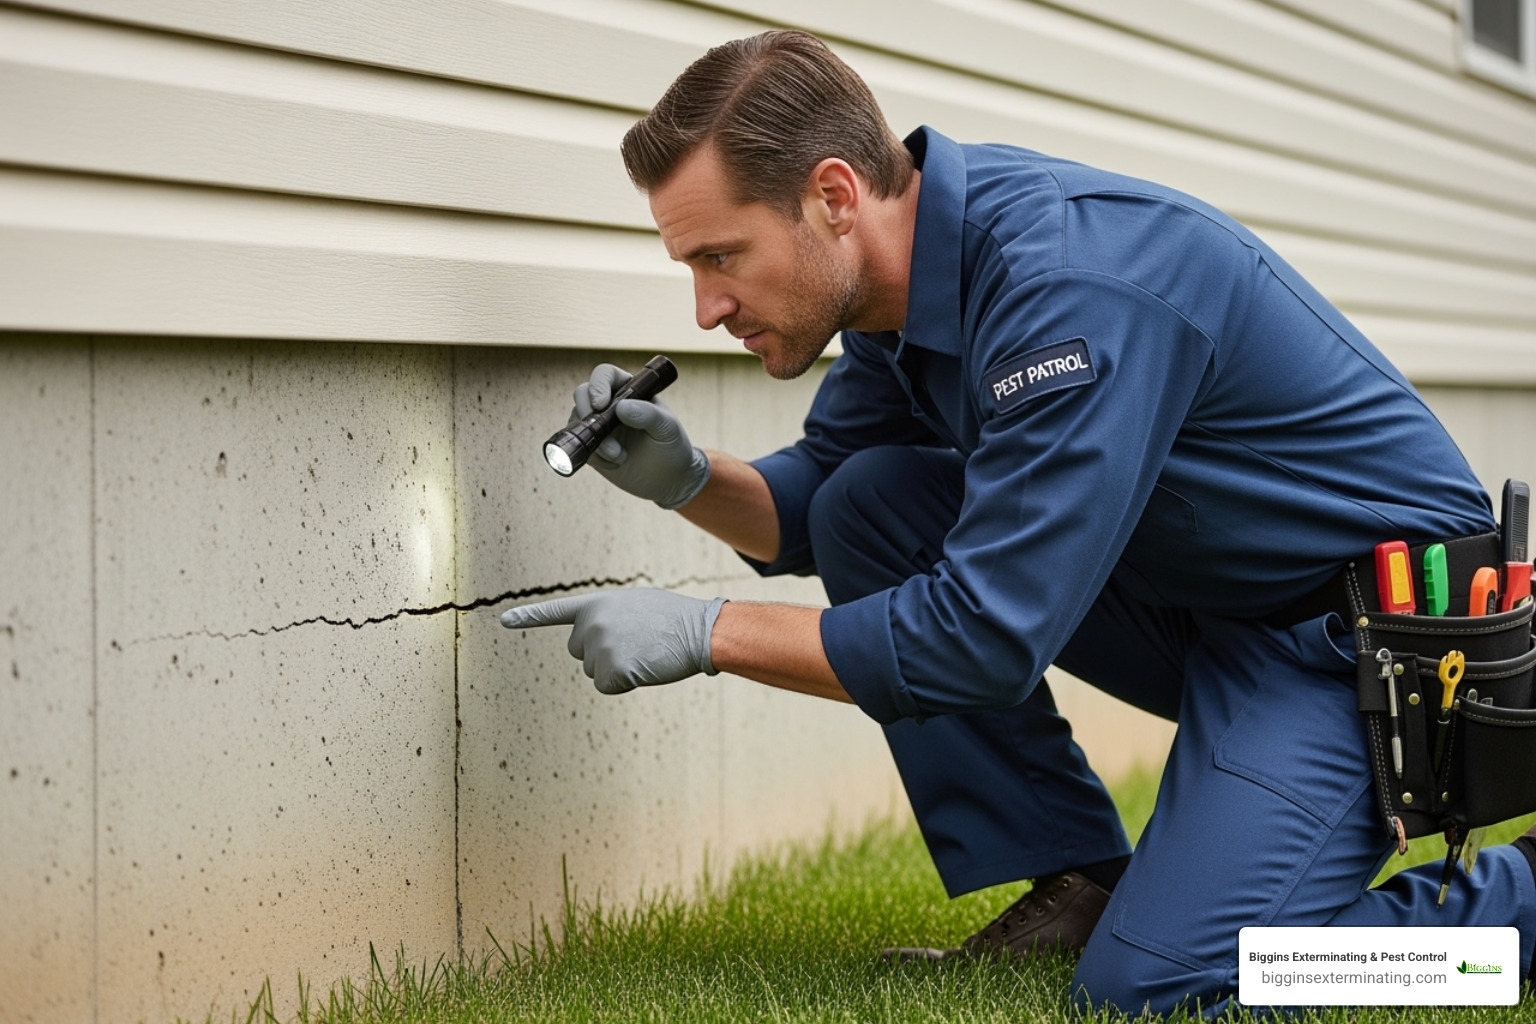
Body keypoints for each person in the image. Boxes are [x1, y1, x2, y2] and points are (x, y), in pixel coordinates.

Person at [500, 29, 1536, 1014]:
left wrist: (708, 634)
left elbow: (983, 637)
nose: (705, 308)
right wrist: (687, 480)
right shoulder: (903, 284)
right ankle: (1082, 886)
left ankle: (1512, 918)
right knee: (871, 502)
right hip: (1216, 600)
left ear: (833, 197)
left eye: (721, 257)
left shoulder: (1061, 289)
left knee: (1162, 992)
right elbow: (820, 505)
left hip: (1370, 645)